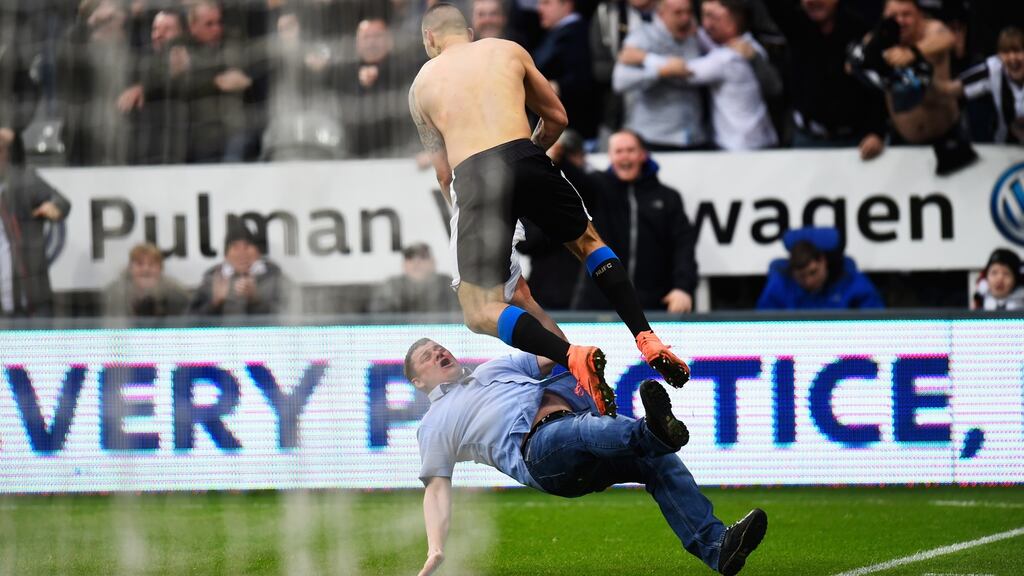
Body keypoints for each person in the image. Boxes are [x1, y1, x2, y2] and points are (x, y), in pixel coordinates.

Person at [409, 3, 692, 418]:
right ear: (469, 32)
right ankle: (646, 336)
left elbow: (444, 174)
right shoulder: (507, 50)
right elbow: (557, 118)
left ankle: (570, 354)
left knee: (481, 309)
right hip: (527, 155)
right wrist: (526, 162)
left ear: (430, 39)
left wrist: (477, 206)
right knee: (588, 242)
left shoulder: (421, 86)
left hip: (474, 177)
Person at [405, 338, 768, 576]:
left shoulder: (492, 369)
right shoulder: (435, 423)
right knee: (586, 429)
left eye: (438, 347)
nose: (438, 353)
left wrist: (576, 349)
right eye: (426, 356)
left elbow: (555, 350)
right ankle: (651, 433)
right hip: (539, 454)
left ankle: (717, 547)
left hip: (573, 430)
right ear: (418, 382)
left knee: (658, 463)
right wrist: (435, 549)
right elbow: (436, 489)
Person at [847, 0, 977, 175]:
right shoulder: (877, 40)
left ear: (920, 15)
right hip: (903, 139)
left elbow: (947, 39)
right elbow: (852, 68)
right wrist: (876, 132)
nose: (900, 21)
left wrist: (913, 53)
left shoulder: (933, 29)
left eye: (906, 14)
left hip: (948, 133)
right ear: (884, 18)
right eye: (893, 16)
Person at [584, 130, 698, 313]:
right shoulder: (596, 189)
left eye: (630, 150)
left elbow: (683, 246)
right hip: (601, 308)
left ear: (643, 155)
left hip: (656, 307)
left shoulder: (668, 197)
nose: (625, 156)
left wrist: (683, 287)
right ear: (610, 156)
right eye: (619, 151)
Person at [761, 0, 887, 157]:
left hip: (857, 141)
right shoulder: (795, 24)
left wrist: (876, 131)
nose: (811, 1)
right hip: (807, 139)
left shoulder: (861, 27)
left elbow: (878, 85)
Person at [611, 0, 710, 151]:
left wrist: (649, 59)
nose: (685, 18)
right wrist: (659, 72)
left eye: (688, 12)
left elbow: (692, 71)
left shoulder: (695, 37)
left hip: (695, 136)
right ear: (661, 13)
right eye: (678, 13)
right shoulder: (641, 37)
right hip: (654, 138)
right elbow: (620, 81)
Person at [0, 130, 71, 317]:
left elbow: (61, 202)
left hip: (32, 302)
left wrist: (53, 206)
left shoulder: (23, 180)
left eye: (1, 151)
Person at [756, 227, 884, 310]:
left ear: (823, 261)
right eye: (801, 276)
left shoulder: (851, 282)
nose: (808, 281)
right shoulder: (780, 286)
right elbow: (763, 328)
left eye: (813, 272)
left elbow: (876, 325)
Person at [189, 220, 294, 315]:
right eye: (235, 247)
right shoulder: (212, 279)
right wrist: (214, 303)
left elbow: (290, 318)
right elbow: (189, 322)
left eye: (247, 246)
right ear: (226, 255)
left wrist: (256, 300)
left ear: (258, 252)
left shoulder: (276, 278)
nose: (242, 253)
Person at [532, 0, 600, 141]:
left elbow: (581, 80)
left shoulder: (576, 34)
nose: (539, 8)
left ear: (567, 5)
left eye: (546, 3)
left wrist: (545, 87)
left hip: (573, 133)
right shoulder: (555, 32)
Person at [945, 26, 1024, 144]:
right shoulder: (993, 69)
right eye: (1006, 52)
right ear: (999, 55)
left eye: (1018, 51)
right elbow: (951, 88)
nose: (1012, 58)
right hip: (1006, 148)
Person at [369, 242, 461, 313]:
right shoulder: (391, 286)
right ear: (404, 264)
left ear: (433, 262)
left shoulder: (447, 284)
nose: (416, 262)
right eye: (410, 257)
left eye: (423, 257)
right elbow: (377, 317)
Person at [104, 242, 190, 317]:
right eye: (139, 264)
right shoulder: (115, 293)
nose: (146, 269)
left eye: (152, 264)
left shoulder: (176, 293)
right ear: (130, 268)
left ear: (160, 268)